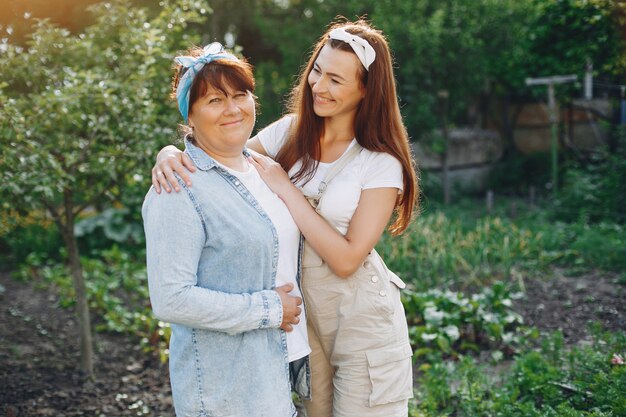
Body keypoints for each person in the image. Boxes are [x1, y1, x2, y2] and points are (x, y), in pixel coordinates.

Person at [152, 20, 418, 417]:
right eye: (317, 71)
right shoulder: (290, 133)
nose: (318, 86)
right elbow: (223, 154)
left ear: (366, 89)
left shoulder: (379, 163)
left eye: (335, 80)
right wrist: (171, 153)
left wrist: (285, 186)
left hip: (360, 320)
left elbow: (347, 260)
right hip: (303, 321)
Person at [142, 42, 310, 417]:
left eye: (240, 95)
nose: (233, 109)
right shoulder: (177, 187)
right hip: (229, 388)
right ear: (190, 115)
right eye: (214, 101)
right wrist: (268, 309)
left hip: (284, 364)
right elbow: (171, 299)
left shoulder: (265, 170)